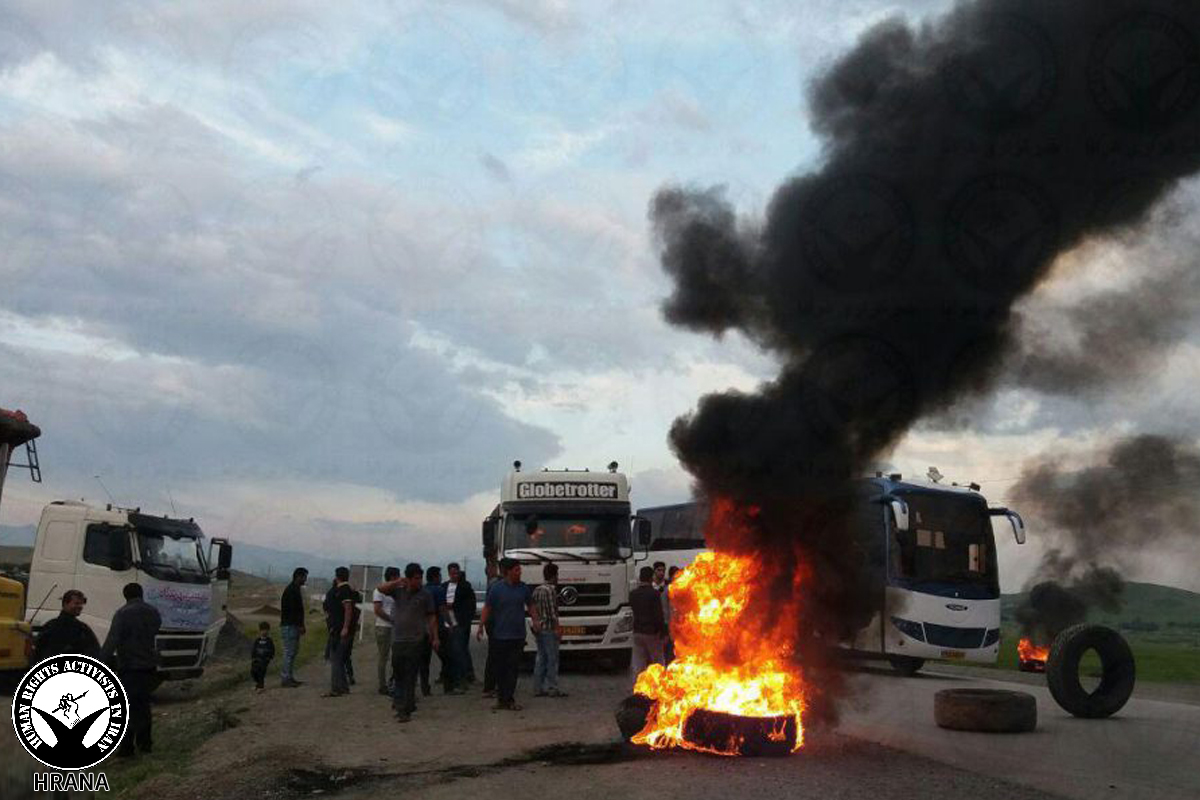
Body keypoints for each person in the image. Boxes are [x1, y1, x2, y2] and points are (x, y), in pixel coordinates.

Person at [101, 583, 162, 758]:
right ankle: (145, 744)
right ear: (141, 594)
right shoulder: (153, 612)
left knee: (127, 708)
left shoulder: (122, 614)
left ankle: (127, 748)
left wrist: (99, 663)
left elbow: (112, 640)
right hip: (149, 667)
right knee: (144, 706)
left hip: (129, 667)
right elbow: (155, 631)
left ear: (125, 595)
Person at [376, 563, 438, 723]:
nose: (420, 581)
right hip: (398, 640)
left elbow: (432, 616)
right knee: (398, 673)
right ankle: (402, 703)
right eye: (416, 578)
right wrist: (398, 582)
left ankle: (405, 709)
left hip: (416, 640)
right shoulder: (398, 591)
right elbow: (380, 588)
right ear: (409, 579)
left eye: (420, 578)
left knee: (410, 674)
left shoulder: (425, 595)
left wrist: (434, 636)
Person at [477, 557, 538, 711]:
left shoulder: (523, 588)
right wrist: (480, 625)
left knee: (512, 669)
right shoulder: (496, 589)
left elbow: (531, 606)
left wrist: (536, 622)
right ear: (508, 572)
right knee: (501, 668)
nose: (519, 573)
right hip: (500, 635)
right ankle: (501, 699)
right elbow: (487, 608)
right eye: (517, 570)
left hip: (517, 635)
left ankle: (509, 699)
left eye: (520, 570)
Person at [32, 589, 100, 661]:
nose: (80, 606)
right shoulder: (82, 629)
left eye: (81, 604)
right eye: (76, 603)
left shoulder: (82, 629)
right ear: (65, 604)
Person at [531, 563, 566, 698]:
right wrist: (557, 628)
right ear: (554, 575)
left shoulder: (537, 590)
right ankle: (553, 687)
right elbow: (552, 612)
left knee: (541, 657)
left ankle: (537, 687)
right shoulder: (551, 590)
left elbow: (533, 607)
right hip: (549, 629)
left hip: (539, 628)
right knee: (552, 659)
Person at [629, 566, 666, 685]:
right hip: (651, 633)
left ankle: (638, 688)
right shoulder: (654, 594)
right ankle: (660, 686)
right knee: (658, 661)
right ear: (651, 578)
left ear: (640, 577)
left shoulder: (633, 594)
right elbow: (658, 616)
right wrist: (663, 631)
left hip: (637, 632)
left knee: (638, 663)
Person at [323, 566, 356, 697]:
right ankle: (343, 687)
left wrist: (345, 627)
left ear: (337, 577)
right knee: (340, 659)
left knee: (336, 658)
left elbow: (348, 609)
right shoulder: (345, 590)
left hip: (339, 629)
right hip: (339, 628)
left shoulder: (343, 590)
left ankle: (336, 688)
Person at [444, 562, 477, 688]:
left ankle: (464, 676)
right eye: (452, 573)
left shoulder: (465, 587)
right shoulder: (445, 586)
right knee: (452, 650)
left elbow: (470, 606)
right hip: (448, 623)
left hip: (461, 623)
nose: (454, 575)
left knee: (460, 649)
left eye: (456, 573)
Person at [419, 566, 449, 695]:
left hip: (423, 629)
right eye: (440, 575)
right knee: (447, 658)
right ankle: (448, 686)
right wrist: (451, 623)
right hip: (439, 627)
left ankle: (425, 688)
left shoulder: (422, 590)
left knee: (424, 661)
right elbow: (443, 609)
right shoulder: (439, 590)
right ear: (436, 577)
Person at [372, 566, 400, 695]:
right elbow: (377, 610)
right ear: (392, 577)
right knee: (383, 657)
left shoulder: (397, 591)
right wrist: (391, 619)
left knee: (396, 656)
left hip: (394, 627)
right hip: (383, 626)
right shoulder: (379, 590)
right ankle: (382, 685)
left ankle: (393, 681)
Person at [279, 567, 307, 688]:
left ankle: (289, 677)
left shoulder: (294, 589)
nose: (305, 579)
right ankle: (285, 678)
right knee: (289, 652)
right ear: (298, 577)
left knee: (292, 652)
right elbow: (293, 611)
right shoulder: (291, 590)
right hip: (290, 626)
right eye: (304, 577)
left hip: (292, 625)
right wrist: (299, 625)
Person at [251, 621, 275, 692]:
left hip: (264, 660)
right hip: (256, 659)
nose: (264, 632)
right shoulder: (257, 640)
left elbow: (272, 649)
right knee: (253, 672)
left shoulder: (269, 641)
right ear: (260, 631)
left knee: (261, 672)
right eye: (262, 630)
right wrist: (253, 657)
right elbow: (254, 649)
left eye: (266, 630)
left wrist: (270, 657)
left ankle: (261, 686)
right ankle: (257, 684)